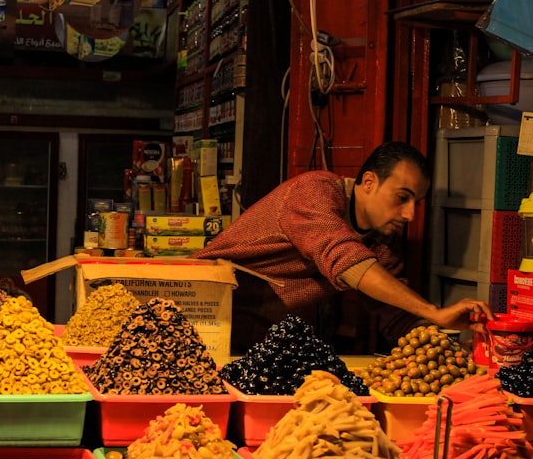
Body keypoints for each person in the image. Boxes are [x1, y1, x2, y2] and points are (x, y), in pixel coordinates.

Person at [191, 141, 494, 354]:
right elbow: (346, 259)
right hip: (202, 320)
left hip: (257, 344)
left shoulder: (381, 245)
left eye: (416, 203)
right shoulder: (314, 192)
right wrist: (434, 311)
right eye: (402, 197)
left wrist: (450, 346)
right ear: (369, 182)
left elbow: (398, 316)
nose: (409, 214)